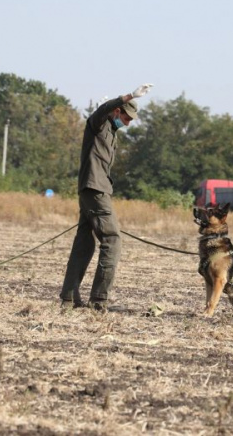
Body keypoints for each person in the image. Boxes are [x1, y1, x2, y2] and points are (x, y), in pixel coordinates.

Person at [59, 83, 153, 311]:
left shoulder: (112, 132)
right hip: (95, 190)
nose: (128, 122)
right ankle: (99, 300)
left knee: (84, 244)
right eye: (126, 117)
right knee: (112, 240)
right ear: (116, 111)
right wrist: (129, 95)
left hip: (95, 189)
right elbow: (102, 110)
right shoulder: (98, 124)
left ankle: (69, 298)